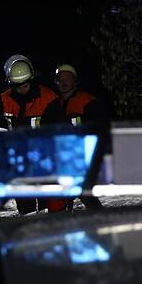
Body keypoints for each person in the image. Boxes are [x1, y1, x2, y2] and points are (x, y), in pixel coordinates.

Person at [0, 55, 58, 214]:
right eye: (18, 86)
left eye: (25, 85)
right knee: (26, 210)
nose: (23, 89)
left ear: (32, 79)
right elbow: (1, 129)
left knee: (48, 208)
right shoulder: (4, 100)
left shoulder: (48, 98)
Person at [44, 63, 105, 210]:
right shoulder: (52, 104)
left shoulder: (88, 102)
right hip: (58, 159)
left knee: (86, 195)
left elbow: (99, 129)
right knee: (56, 201)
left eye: (68, 78)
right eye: (60, 79)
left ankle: (103, 222)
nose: (64, 82)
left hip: (80, 158)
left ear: (75, 80)